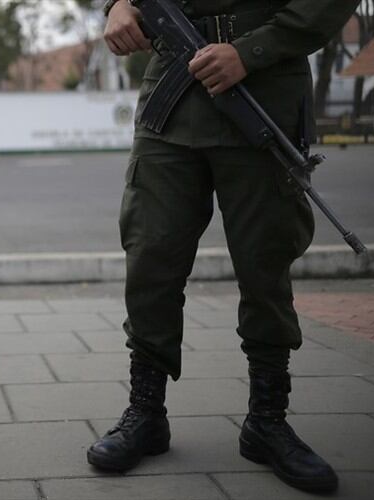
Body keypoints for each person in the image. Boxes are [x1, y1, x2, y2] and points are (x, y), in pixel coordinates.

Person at [86, 0, 358, 495]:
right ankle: (146, 413)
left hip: (263, 90)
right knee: (150, 255)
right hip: (172, 89)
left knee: (265, 263)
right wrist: (119, 4)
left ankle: (267, 422)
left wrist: (251, 51)